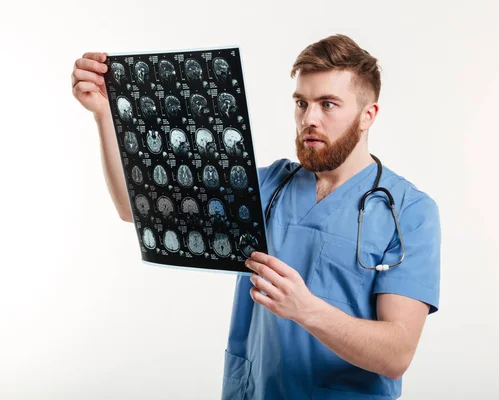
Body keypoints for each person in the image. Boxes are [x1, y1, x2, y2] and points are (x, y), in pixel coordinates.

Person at [71, 34, 441, 400]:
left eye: (328, 104)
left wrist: (307, 310)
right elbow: (134, 209)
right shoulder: (265, 185)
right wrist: (105, 116)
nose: (308, 119)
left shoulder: (408, 210)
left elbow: (396, 355)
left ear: (367, 115)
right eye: (301, 103)